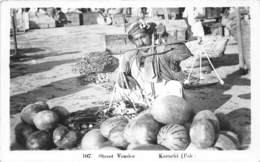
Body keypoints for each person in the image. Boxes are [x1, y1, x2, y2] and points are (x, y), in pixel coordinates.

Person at [116, 20, 193, 101]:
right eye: (137, 39)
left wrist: (166, 36)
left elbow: (184, 53)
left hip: (163, 99)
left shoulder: (162, 51)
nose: (141, 42)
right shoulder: (131, 56)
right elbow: (123, 69)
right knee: (120, 87)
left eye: (143, 37)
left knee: (175, 86)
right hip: (142, 98)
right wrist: (124, 78)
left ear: (150, 35)